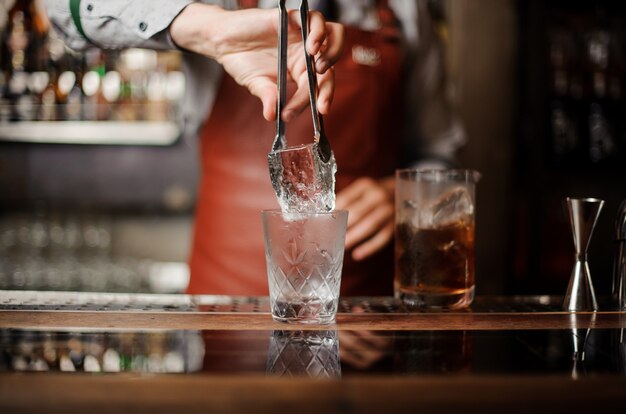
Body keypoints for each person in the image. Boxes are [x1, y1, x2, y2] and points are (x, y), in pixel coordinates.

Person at [44, 0, 465, 296]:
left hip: (364, 320)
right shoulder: (217, 5)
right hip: (221, 309)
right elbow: (65, 11)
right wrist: (210, 31)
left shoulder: (407, 9)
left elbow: (440, 154)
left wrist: (401, 196)